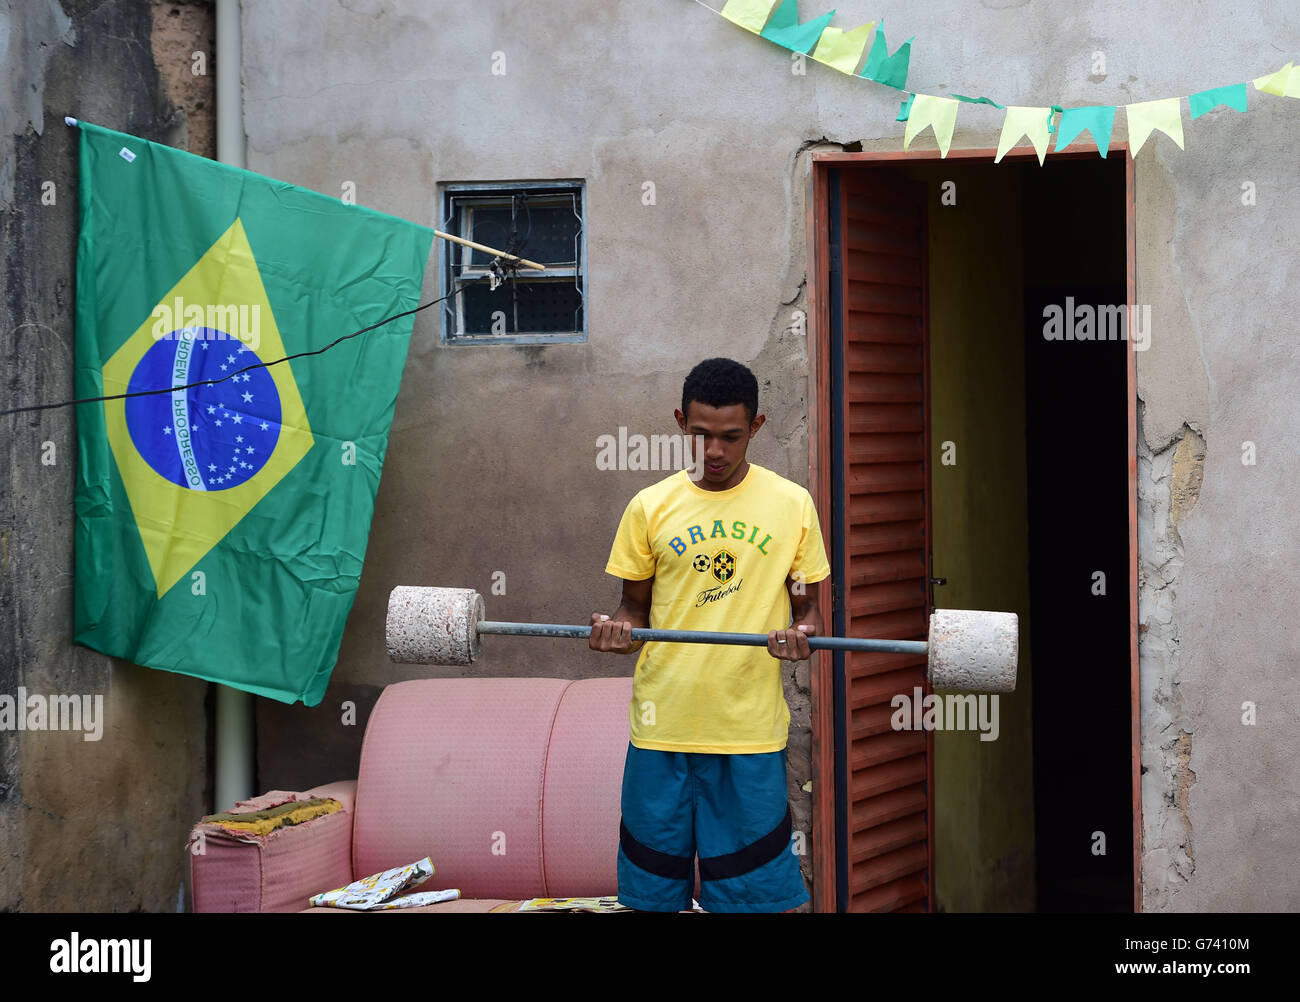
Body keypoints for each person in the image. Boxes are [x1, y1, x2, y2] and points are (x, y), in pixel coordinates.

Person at [590, 357, 832, 913]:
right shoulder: (649, 507)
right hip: (661, 728)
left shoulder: (792, 505)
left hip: (746, 731)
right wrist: (617, 633)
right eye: (700, 435)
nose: (715, 452)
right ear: (680, 422)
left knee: (753, 900)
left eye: (731, 436)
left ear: (757, 427)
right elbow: (634, 611)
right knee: (650, 899)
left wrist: (801, 634)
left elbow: (811, 611)